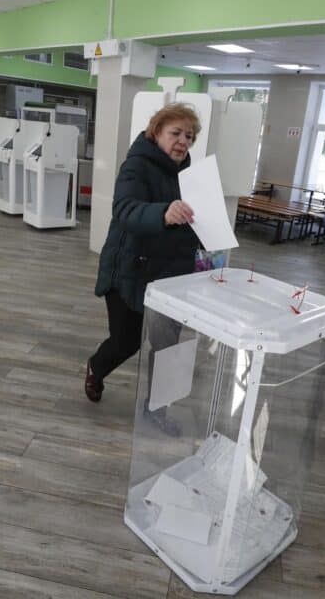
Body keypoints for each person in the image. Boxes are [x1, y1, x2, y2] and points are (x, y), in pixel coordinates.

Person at [84, 103, 201, 433]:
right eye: (175, 133)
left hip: (172, 274)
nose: (182, 141)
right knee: (126, 342)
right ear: (157, 132)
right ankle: (96, 366)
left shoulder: (191, 175)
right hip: (129, 270)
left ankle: (157, 410)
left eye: (188, 136)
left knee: (167, 347)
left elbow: (195, 218)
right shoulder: (137, 164)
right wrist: (164, 213)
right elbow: (125, 209)